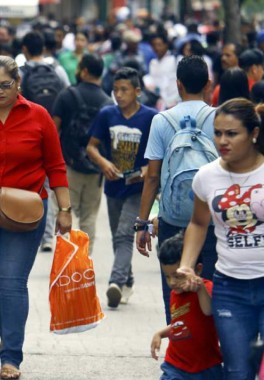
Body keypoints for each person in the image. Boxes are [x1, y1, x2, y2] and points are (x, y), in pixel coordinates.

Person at [0, 55, 72, 380]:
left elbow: (56, 166)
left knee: (10, 281)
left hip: (28, 212)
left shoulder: (38, 116)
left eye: (5, 85)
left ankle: (11, 356)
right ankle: (9, 331)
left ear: (18, 83)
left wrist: (65, 209)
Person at [178, 98, 264, 379]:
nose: (222, 141)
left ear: (253, 134)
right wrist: (187, 265)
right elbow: (198, 223)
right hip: (230, 289)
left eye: (231, 133)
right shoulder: (206, 176)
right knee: (237, 371)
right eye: (217, 133)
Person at [136, 56, 218, 324]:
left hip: (172, 219)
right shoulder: (220, 119)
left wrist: (142, 224)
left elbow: (152, 177)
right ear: (208, 84)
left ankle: (179, 346)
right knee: (210, 285)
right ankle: (211, 350)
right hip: (212, 220)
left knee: (173, 286)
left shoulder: (162, 121)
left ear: (178, 84)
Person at [87, 67, 157, 308]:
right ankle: (127, 280)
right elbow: (91, 146)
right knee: (119, 235)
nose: (118, 94)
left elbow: (160, 152)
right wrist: (103, 162)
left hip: (139, 189)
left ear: (137, 91)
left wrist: (150, 169)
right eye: (115, 89)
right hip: (114, 185)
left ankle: (115, 283)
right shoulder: (107, 114)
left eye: (124, 90)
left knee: (124, 234)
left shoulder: (151, 118)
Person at [52, 54, 113, 255]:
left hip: (68, 166)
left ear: (84, 71)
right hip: (96, 168)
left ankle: (66, 260)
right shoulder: (107, 103)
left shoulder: (67, 95)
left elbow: (54, 130)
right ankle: (83, 261)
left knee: (65, 212)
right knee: (89, 217)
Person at [150, 233, 223, 380]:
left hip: (206, 367)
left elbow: (208, 310)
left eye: (177, 276)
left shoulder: (206, 288)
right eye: (167, 276)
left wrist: (200, 287)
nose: (171, 282)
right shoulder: (175, 293)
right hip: (175, 365)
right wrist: (160, 333)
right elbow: (181, 323)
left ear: (198, 269)